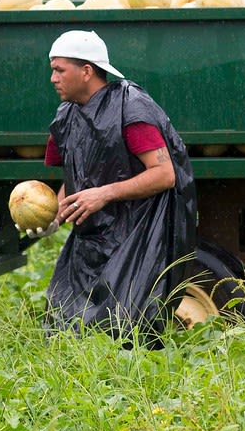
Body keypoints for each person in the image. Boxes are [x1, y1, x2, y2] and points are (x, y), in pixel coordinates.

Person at [42, 29, 198, 344]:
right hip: (92, 240)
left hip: (138, 237)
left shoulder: (131, 109)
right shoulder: (66, 116)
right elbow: (74, 176)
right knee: (66, 332)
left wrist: (104, 193)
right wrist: (53, 217)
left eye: (60, 70)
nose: (53, 79)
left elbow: (165, 174)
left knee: (125, 333)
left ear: (86, 71)